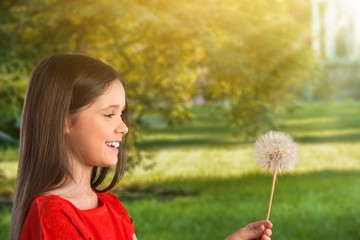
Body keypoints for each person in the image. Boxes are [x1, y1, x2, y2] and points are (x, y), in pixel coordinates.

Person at [11, 54, 273, 240]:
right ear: (64, 121)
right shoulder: (53, 219)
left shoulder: (111, 207)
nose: (123, 127)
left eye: (122, 114)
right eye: (109, 114)